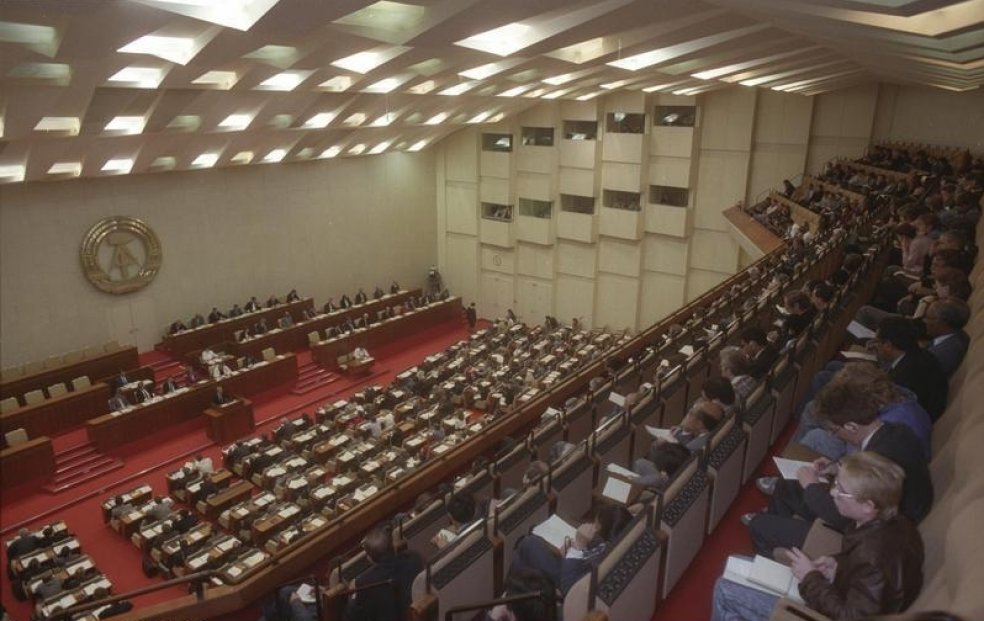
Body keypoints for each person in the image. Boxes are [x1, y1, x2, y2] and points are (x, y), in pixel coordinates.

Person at [713, 452, 924, 621]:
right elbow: (861, 571)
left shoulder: (875, 558)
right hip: (840, 592)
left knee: (724, 588)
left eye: (841, 490)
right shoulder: (894, 521)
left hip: (831, 610)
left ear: (868, 506)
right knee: (741, 564)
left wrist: (810, 577)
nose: (832, 493)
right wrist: (837, 565)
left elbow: (849, 616)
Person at [746, 368, 933, 557]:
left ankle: (775, 555)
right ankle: (780, 528)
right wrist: (838, 467)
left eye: (834, 430)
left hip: (864, 538)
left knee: (758, 525)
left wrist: (811, 485)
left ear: (851, 426)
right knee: (787, 484)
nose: (831, 434)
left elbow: (841, 516)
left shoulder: (880, 459)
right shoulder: (895, 431)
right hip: (874, 517)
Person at [509, 504, 632, 594]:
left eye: (596, 526)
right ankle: (516, 589)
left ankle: (512, 593)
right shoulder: (618, 542)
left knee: (527, 543)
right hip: (574, 563)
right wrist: (572, 553)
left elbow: (569, 588)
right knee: (531, 533)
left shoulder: (605, 557)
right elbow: (592, 553)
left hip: (568, 576)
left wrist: (578, 547)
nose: (593, 528)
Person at [343, 524, 424, 621]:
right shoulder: (413, 557)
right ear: (393, 545)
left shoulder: (365, 583)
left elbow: (355, 617)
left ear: (369, 558)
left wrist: (353, 596)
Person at [873, 317, 947, 421]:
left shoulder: (901, 377)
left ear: (888, 345)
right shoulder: (922, 354)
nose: (875, 346)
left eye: (877, 342)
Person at [922, 298, 970, 378]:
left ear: (943, 323)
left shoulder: (945, 352)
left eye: (929, 318)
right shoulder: (960, 334)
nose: (924, 321)